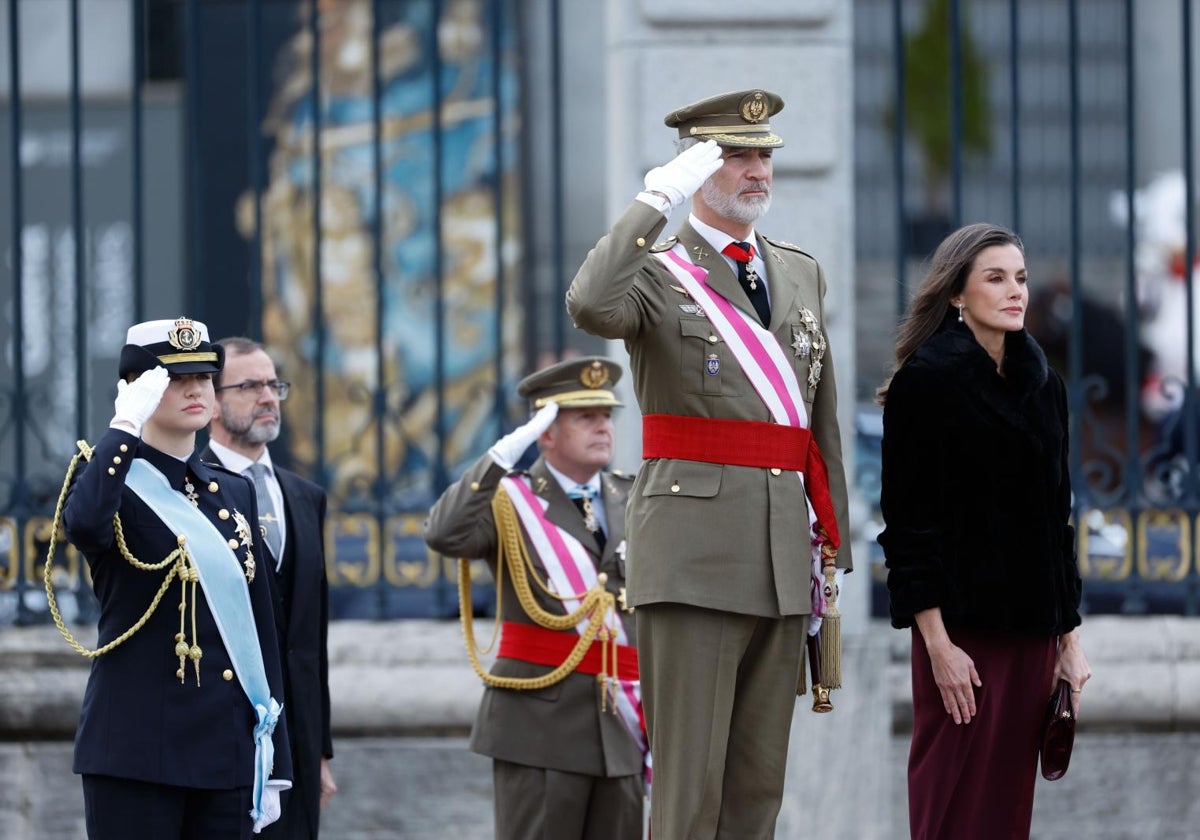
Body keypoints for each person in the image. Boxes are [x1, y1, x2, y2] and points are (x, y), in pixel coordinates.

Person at [566, 89, 853, 837]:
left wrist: (833, 537)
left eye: (764, 154)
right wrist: (657, 197)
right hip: (693, 557)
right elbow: (591, 305)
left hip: (782, 553)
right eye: (735, 155)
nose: (757, 170)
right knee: (689, 794)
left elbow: (814, 418)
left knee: (756, 793)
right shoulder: (657, 273)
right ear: (697, 167)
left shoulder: (800, 272)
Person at [875, 223, 1093, 839]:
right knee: (948, 810)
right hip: (960, 643)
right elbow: (908, 529)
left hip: (1032, 642)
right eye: (995, 278)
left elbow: (1057, 522)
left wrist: (1069, 640)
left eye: (1020, 278)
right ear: (956, 295)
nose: (1015, 291)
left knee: (1004, 816)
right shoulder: (927, 382)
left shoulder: (1046, 387)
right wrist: (938, 648)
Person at [57, 317, 291, 839]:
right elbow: (86, 525)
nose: (195, 390)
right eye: (173, 378)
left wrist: (277, 761)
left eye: (204, 378)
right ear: (139, 389)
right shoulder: (106, 478)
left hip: (225, 751)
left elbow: (259, 630)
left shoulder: (233, 492)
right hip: (138, 753)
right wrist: (123, 429)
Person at [423, 357, 645, 840]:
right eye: (585, 417)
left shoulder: (635, 498)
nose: (603, 427)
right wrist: (503, 455)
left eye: (606, 415)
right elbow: (444, 534)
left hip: (623, 730)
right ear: (546, 432)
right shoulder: (508, 500)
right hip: (540, 731)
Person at [203, 337, 337, 839]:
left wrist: (319, 750)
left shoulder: (306, 496)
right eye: (250, 385)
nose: (268, 397)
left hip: (296, 752)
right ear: (211, 400)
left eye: (274, 384)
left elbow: (311, 642)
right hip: (221, 750)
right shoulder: (189, 490)